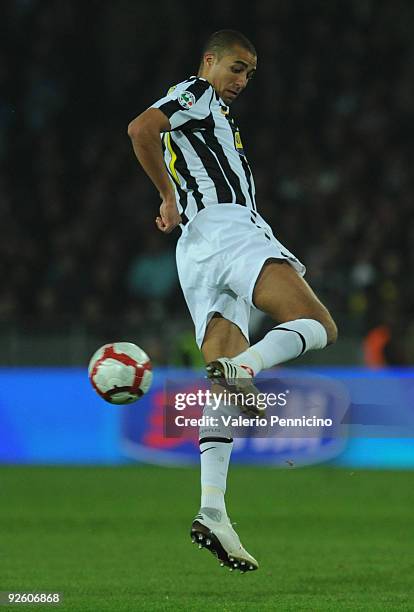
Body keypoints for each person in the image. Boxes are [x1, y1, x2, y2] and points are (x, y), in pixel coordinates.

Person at [127, 29, 338, 573]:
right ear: (209, 61)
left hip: (194, 250)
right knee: (317, 324)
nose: (241, 80)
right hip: (228, 229)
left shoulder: (209, 111)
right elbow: (141, 129)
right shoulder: (197, 93)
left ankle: (213, 509)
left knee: (223, 391)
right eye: (236, 68)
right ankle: (243, 365)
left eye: (248, 73)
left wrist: (176, 200)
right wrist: (166, 193)